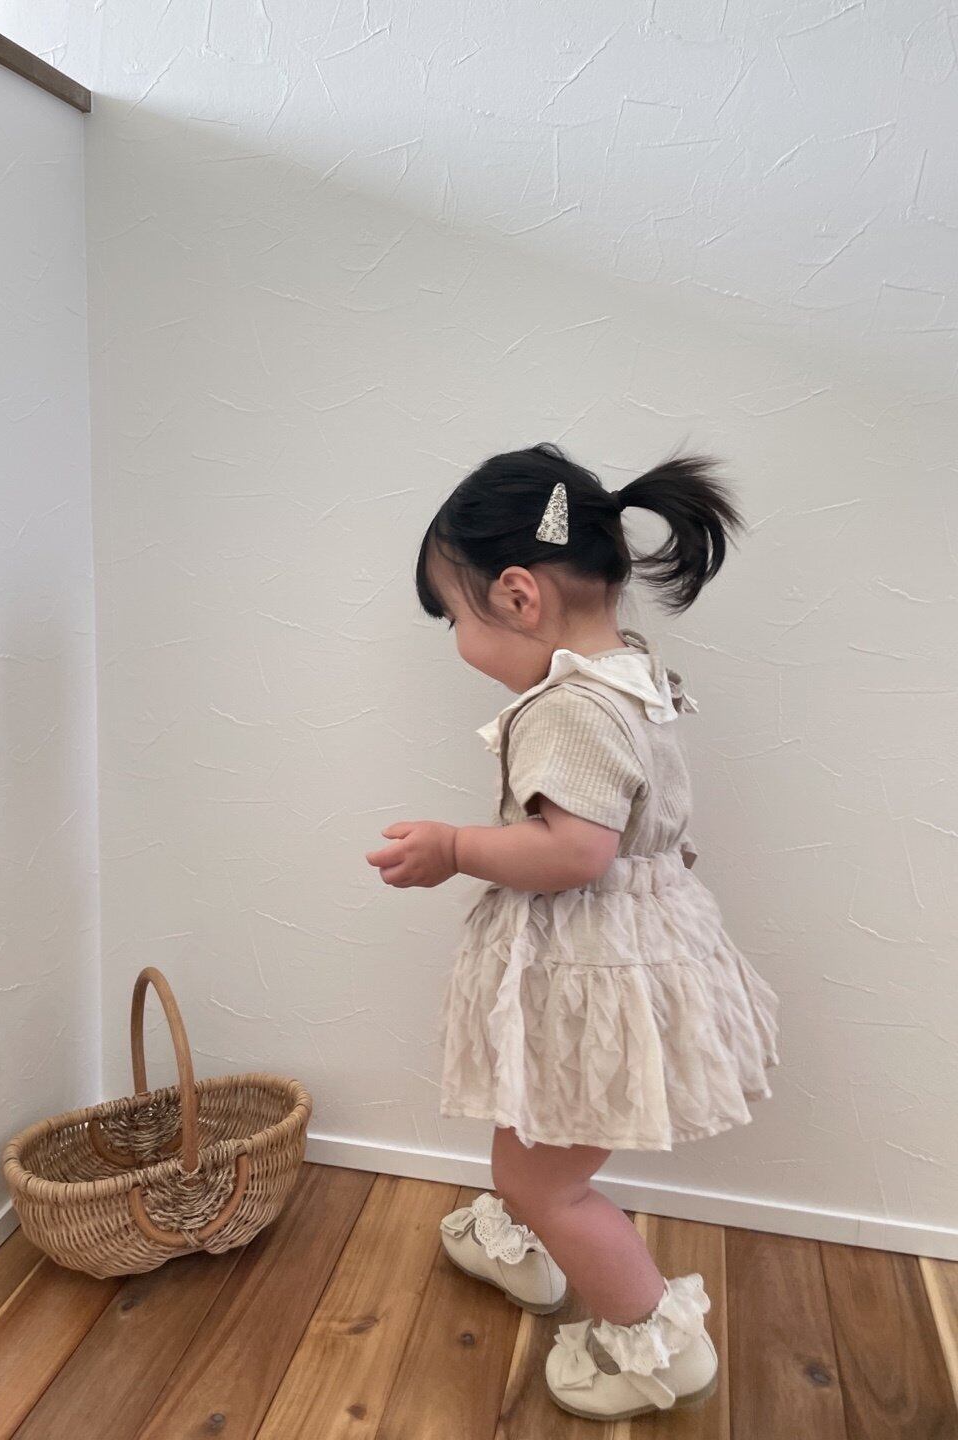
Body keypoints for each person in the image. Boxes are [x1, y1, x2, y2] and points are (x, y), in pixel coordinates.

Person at [365, 441, 779, 1422]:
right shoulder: (630, 673)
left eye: (456, 618)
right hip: (618, 955)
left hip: (597, 956)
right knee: (537, 1111)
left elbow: (576, 851)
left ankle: (654, 1344)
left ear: (517, 596)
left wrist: (456, 847)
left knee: (546, 1178)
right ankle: (523, 1242)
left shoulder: (568, 708)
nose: (459, 642)